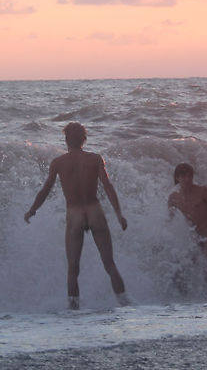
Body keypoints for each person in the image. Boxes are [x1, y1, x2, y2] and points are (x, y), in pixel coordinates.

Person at [24, 122, 129, 309]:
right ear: (84, 139)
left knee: (73, 269)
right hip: (94, 211)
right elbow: (108, 186)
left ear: (65, 140)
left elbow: (45, 190)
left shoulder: (58, 163)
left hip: (74, 214)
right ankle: (125, 303)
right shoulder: (95, 159)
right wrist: (119, 214)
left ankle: (73, 311)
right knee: (109, 264)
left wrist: (32, 210)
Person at [167, 162, 207, 290]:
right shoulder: (173, 198)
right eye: (183, 177)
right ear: (177, 178)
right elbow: (169, 223)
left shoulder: (203, 191)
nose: (187, 179)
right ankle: (183, 306)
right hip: (194, 240)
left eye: (189, 176)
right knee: (180, 274)